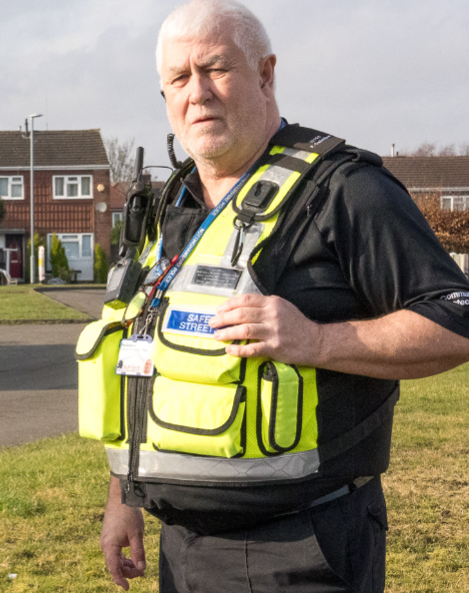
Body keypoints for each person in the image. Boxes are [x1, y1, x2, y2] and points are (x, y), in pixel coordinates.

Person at [97, 1, 469, 591]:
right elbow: (147, 355)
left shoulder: (346, 189)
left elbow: (455, 318)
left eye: (216, 68)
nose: (197, 93)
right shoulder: (175, 204)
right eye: (177, 79)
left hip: (299, 547)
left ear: (265, 74)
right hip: (183, 547)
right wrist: (125, 496)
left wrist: (317, 339)